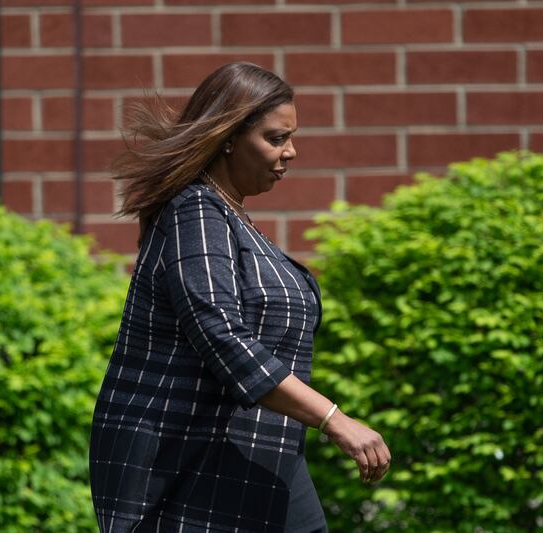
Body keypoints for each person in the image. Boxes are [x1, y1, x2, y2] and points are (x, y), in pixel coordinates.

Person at [89, 62, 391, 533]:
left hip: (263, 451)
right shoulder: (195, 212)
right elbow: (221, 335)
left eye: (291, 137)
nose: (291, 151)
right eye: (276, 138)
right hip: (196, 464)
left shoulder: (228, 217)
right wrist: (334, 418)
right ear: (229, 137)